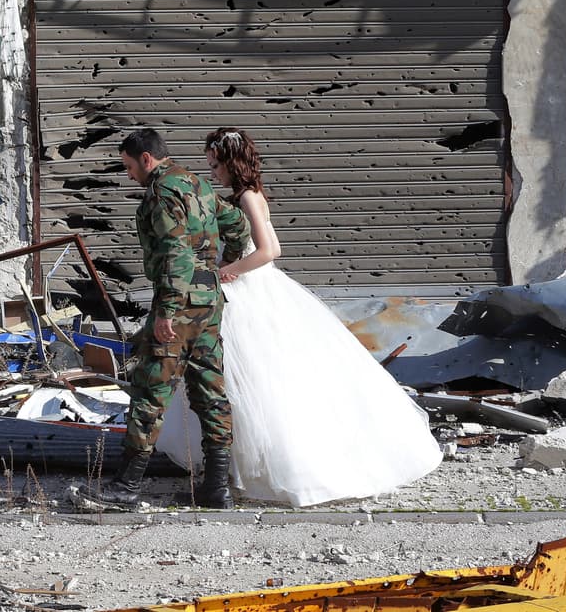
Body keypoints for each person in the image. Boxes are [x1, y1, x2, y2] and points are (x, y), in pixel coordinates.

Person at [156, 128, 442, 506]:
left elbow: (270, 249)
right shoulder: (244, 195)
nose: (214, 173)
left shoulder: (247, 197)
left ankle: (255, 472)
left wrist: (232, 270)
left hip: (251, 292)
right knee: (241, 384)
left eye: (217, 165)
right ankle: (228, 471)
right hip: (247, 288)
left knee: (255, 384)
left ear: (231, 162)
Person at [73, 128, 251, 511]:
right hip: (208, 303)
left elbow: (175, 253)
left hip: (180, 304)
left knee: (151, 389)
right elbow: (238, 223)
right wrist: (225, 264)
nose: (128, 174)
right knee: (210, 391)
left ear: (147, 159)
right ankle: (216, 489)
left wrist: (167, 310)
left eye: (128, 166)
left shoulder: (161, 192)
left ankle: (126, 488)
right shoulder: (200, 186)